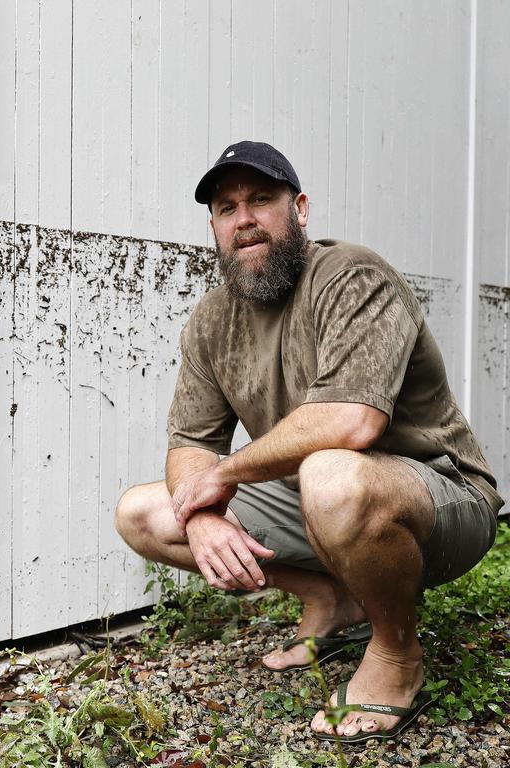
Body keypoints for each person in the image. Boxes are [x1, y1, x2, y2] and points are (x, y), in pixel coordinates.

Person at [114, 140, 502, 744]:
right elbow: (191, 442)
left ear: (299, 209)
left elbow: (353, 422)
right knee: (145, 513)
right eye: (225, 207)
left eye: (261, 199)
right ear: (214, 226)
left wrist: (224, 476)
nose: (243, 219)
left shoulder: (353, 277)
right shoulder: (212, 321)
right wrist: (201, 515)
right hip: (320, 501)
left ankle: (397, 656)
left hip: (440, 498)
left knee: (331, 474)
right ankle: (333, 598)